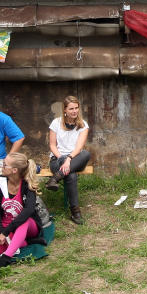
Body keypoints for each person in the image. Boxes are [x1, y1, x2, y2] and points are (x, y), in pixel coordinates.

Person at [0, 151, 52, 270]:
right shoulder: (1, 182)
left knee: (24, 221)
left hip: (28, 225)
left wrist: (6, 233)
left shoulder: (27, 184)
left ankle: (5, 258)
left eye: (5, 164)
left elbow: (28, 211)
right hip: (8, 226)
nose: (2, 166)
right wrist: (0, 231)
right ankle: (27, 242)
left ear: (14, 170)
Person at [46, 95, 91, 225]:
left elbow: (79, 147)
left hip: (75, 159)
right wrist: (62, 158)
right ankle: (75, 212)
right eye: (71, 108)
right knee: (71, 175)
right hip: (58, 159)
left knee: (86, 154)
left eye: (76, 108)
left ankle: (55, 179)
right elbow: (52, 145)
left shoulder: (83, 125)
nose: (74, 111)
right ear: (64, 110)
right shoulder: (56, 123)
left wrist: (69, 159)